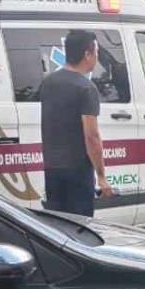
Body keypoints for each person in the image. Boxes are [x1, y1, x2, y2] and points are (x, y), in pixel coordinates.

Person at [40, 29, 113, 216]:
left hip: (52, 169)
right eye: (96, 51)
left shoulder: (48, 83)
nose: (97, 56)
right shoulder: (86, 88)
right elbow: (92, 136)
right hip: (77, 171)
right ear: (87, 54)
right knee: (80, 228)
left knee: (58, 226)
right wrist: (102, 177)